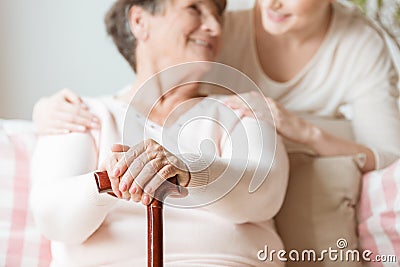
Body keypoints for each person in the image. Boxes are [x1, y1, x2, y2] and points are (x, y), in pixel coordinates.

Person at [30, 0, 289, 266]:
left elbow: (264, 197)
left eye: (218, 16)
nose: (214, 27)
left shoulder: (242, 111)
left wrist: (187, 171)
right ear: (140, 22)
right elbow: (53, 221)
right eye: (194, 8)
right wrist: (114, 180)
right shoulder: (79, 113)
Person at [33, 0, 400, 173]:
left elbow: (389, 157)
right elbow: (151, 91)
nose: (273, 3)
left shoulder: (360, 46)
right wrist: (44, 111)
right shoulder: (219, 31)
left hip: (294, 169)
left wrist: (304, 132)